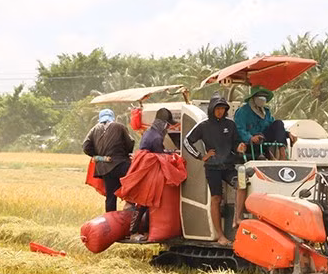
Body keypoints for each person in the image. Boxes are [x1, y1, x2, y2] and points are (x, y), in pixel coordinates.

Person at [184, 92, 247, 245]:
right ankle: (220, 235)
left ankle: (237, 218)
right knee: (216, 199)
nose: (220, 111)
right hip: (212, 167)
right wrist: (201, 156)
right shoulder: (204, 125)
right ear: (212, 109)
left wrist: (239, 147)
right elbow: (187, 141)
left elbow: (235, 143)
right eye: (217, 108)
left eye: (223, 108)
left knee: (242, 184)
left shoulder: (230, 125)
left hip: (228, 165)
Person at [128, 107, 177, 241]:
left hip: (145, 169)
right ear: (162, 123)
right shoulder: (156, 137)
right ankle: (133, 232)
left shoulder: (149, 132)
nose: (167, 128)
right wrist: (172, 154)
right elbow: (160, 155)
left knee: (145, 202)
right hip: (149, 171)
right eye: (167, 124)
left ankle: (144, 231)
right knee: (144, 202)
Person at [83, 108, 134, 212]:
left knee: (110, 196)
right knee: (135, 179)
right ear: (112, 118)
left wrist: (100, 157)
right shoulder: (119, 126)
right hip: (120, 164)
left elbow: (86, 147)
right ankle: (131, 207)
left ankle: (110, 221)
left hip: (104, 169)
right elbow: (130, 143)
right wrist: (126, 153)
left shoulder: (94, 129)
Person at [234, 86, 294, 160]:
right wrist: (250, 138)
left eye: (264, 97)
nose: (262, 100)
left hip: (264, 139)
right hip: (250, 144)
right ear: (253, 98)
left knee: (278, 123)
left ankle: (283, 152)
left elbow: (273, 127)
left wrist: (287, 134)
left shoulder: (266, 112)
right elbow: (239, 129)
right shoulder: (243, 111)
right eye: (260, 97)